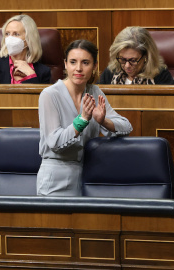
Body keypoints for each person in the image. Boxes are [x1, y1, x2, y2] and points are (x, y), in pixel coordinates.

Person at [37, 40, 133, 196]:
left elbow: (126, 127)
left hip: (88, 177)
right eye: (73, 62)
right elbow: (54, 142)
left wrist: (103, 121)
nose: (78, 68)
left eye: (85, 62)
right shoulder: (49, 95)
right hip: (55, 177)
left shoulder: (95, 92)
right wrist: (81, 121)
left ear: (95, 66)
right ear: (65, 64)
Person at [0, 14, 51, 84]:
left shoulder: (43, 71)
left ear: (29, 39)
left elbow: (40, 95)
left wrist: (31, 74)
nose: (10, 38)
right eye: (7, 34)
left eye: (16, 34)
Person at [99, 26, 174, 85]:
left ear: (146, 56)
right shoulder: (110, 72)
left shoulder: (160, 75)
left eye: (133, 60)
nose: (127, 65)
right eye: (123, 59)